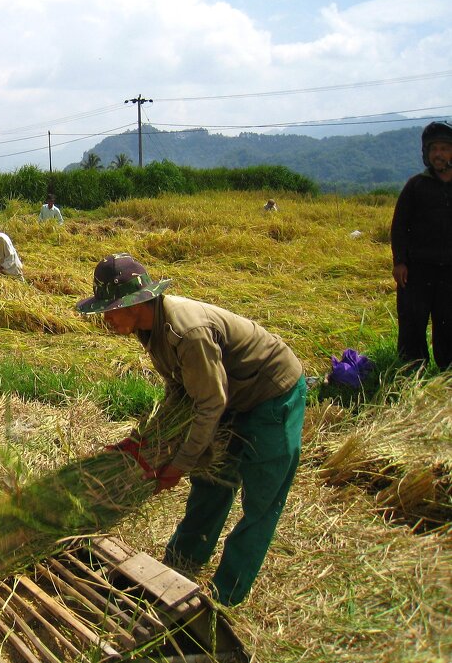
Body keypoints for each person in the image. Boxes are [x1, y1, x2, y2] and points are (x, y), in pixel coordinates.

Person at [76, 253, 305, 607]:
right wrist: (144, 443)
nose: (104, 318)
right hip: (229, 395)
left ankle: (225, 596)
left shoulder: (188, 331)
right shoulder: (148, 328)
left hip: (270, 394)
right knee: (212, 482)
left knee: (261, 500)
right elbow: (180, 391)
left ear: (136, 303)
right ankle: (180, 566)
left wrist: (178, 465)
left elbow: (209, 405)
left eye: (110, 309)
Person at [390, 120, 452, 371]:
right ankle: (411, 372)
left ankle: (447, 374)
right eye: (434, 149)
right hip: (416, 271)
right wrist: (400, 262)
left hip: (449, 271)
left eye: (445, 148)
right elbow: (399, 226)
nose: (439, 154)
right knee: (412, 324)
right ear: (427, 153)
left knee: (449, 323)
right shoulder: (416, 185)